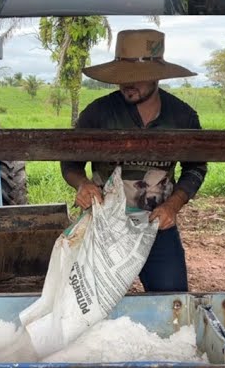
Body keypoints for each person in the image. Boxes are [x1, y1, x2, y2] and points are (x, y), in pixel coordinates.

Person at [60, 29, 208, 293]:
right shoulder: (98, 114)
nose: (128, 84)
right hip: (104, 225)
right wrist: (82, 184)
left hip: (156, 225)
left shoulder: (182, 117)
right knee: (89, 301)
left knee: (170, 299)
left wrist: (172, 206)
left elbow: (195, 168)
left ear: (157, 76)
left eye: (137, 78)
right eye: (123, 77)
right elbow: (70, 163)